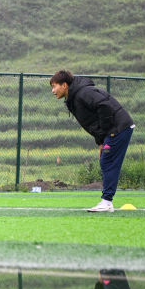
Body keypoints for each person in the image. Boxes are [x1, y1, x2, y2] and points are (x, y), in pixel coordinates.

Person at [50, 70, 136, 212]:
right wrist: (101, 142)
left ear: (64, 85)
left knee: (108, 161)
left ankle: (107, 202)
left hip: (119, 127)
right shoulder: (73, 98)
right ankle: (107, 201)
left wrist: (109, 132)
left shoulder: (83, 93)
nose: (53, 91)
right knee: (105, 160)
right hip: (114, 129)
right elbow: (92, 122)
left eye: (54, 86)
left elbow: (104, 106)